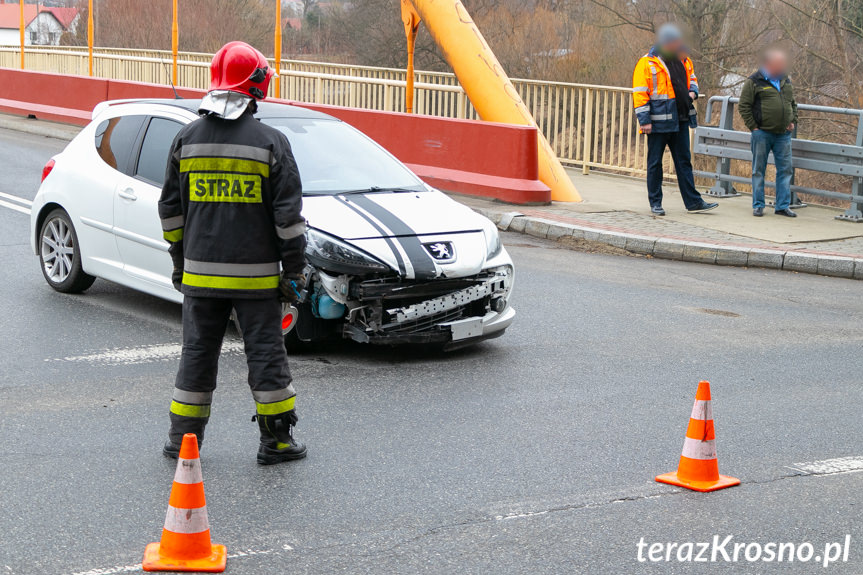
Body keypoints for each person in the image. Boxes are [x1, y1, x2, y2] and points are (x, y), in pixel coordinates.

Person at [158, 41, 308, 465]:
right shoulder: (271, 142)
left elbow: (170, 211)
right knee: (266, 356)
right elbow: (289, 220)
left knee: (196, 357)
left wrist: (178, 261)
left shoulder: (185, 139)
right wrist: (293, 271)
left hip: (200, 278)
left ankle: (181, 442)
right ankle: (276, 442)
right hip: (256, 282)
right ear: (257, 86)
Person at [633, 23, 718, 216]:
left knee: (684, 161)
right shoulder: (647, 63)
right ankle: (656, 203)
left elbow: (693, 78)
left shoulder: (683, 58)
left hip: (680, 119)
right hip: (657, 122)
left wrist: (693, 92)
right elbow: (640, 93)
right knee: (655, 163)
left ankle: (694, 203)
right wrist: (644, 120)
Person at [738, 48, 798, 218]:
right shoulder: (754, 81)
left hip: (783, 134)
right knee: (759, 170)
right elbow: (744, 106)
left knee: (785, 170)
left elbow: (792, 103)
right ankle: (758, 205)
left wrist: (793, 120)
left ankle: (782, 206)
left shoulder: (786, 80)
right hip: (762, 134)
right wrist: (753, 127)